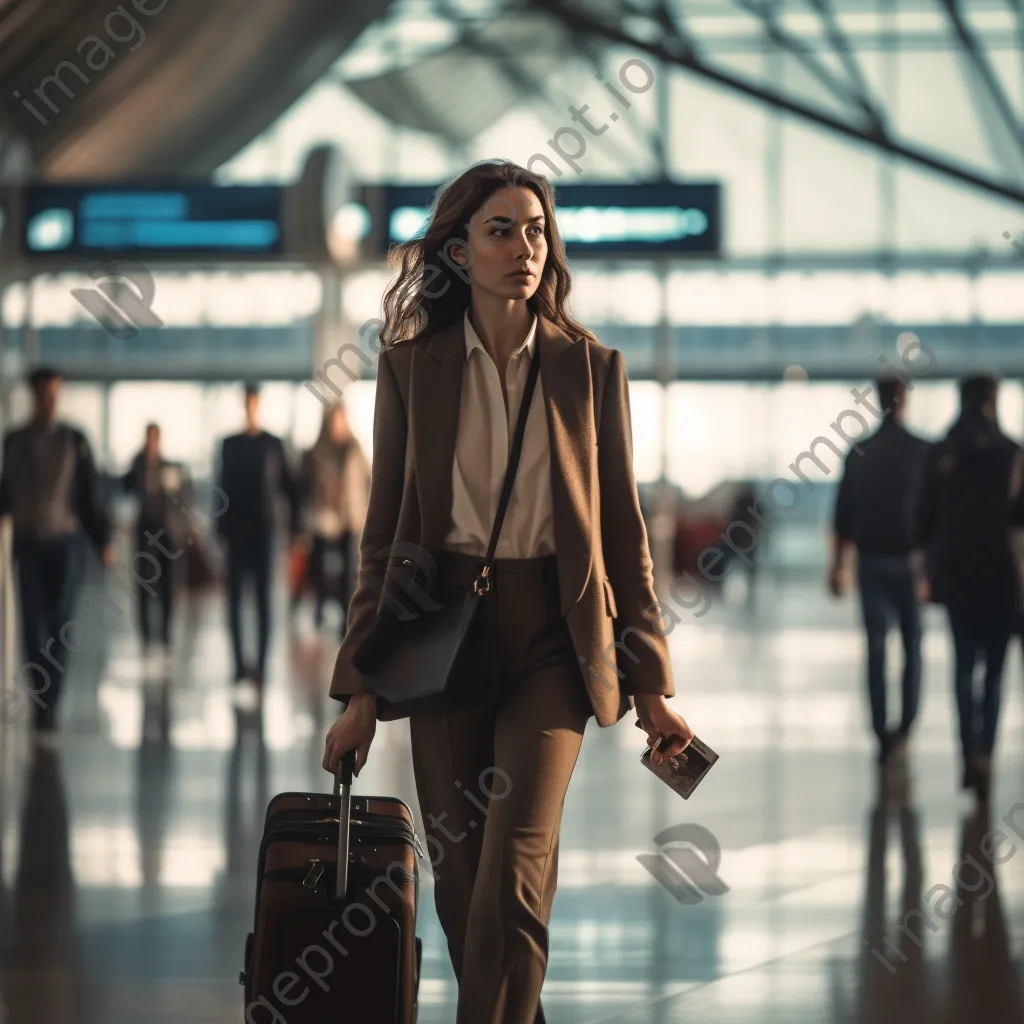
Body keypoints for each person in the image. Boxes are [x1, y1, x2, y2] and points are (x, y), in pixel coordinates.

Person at [320, 159, 693, 1024]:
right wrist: (360, 692)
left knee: (513, 878)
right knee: (459, 889)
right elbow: (385, 540)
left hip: (553, 645)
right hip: (437, 637)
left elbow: (622, 538)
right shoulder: (412, 368)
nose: (525, 247)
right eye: (500, 230)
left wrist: (653, 689)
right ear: (457, 251)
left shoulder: (589, 369)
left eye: (536, 231)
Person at [917, 375, 1024, 801]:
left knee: (963, 669)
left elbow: (924, 518)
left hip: (957, 574)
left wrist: (927, 566)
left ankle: (967, 754)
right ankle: (986, 753)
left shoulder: (941, 452)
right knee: (995, 672)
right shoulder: (1013, 453)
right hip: (1002, 574)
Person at [0, 366, 114, 731]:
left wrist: (102, 540)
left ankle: (52, 708)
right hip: (29, 545)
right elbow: (5, 491)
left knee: (61, 625)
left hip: (65, 545)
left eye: (55, 394)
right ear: (33, 396)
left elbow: (89, 496)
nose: (50, 402)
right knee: (33, 628)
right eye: (43, 395)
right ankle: (40, 699)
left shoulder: (74, 440)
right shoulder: (14, 441)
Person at [829, 377, 930, 766]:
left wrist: (838, 566)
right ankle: (905, 728)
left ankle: (880, 733)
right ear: (904, 401)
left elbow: (843, 516)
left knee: (875, 649)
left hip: (870, 563)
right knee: (912, 649)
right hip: (909, 562)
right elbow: (933, 517)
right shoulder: (923, 451)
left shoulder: (860, 453)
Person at [216, 384, 300, 687]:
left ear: (258, 406)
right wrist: (220, 532)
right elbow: (220, 491)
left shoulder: (272, 445)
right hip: (236, 534)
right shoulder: (230, 445)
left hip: (263, 534)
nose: (251, 410)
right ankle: (239, 666)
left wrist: (296, 530)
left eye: (254, 404)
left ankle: (261, 668)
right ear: (244, 407)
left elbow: (289, 487)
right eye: (247, 405)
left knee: (264, 603)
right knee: (235, 603)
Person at [297, 401, 370, 637]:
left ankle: (345, 619)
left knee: (349, 571)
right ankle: (320, 609)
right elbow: (306, 488)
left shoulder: (355, 450)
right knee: (320, 569)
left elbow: (368, 483)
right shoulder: (316, 453)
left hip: (350, 520)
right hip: (324, 521)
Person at [120, 423, 191, 659]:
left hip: (167, 534)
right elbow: (125, 486)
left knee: (167, 585)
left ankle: (165, 636)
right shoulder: (138, 466)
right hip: (144, 535)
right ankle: (146, 638)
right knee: (144, 585)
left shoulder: (169, 467)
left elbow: (179, 497)